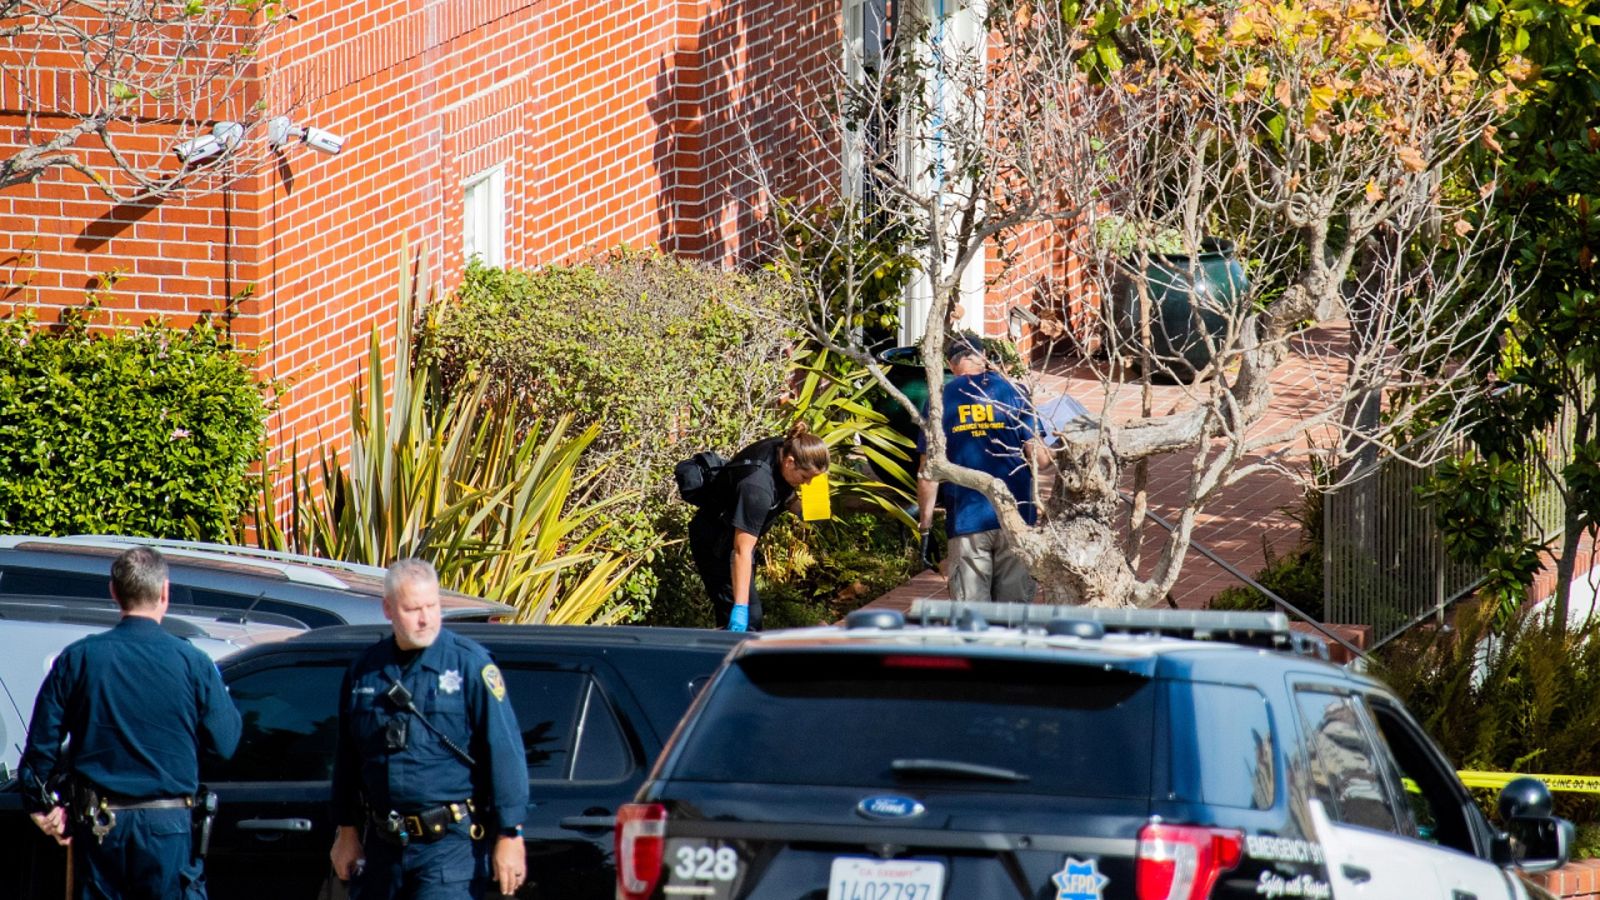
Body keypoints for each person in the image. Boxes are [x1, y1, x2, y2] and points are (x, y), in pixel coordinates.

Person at [17, 547, 242, 899]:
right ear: (164, 591)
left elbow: (40, 749)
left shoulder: (79, 659)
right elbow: (226, 742)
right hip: (170, 827)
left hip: (102, 827)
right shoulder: (193, 663)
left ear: (113, 592)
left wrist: (41, 806)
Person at [329, 559, 529, 900]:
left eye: (432, 606)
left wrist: (511, 834)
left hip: (449, 849)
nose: (425, 619)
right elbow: (348, 757)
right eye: (413, 609)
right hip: (384, 848)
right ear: (388, 609)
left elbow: (505, 751)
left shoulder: (469, 664)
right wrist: (346, 830)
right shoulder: (366, 671)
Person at [917, 333, 1050, 603]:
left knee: (971, 620)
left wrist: (925, 528)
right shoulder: (1014, 393)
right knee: (1015, 616)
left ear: (950, 364)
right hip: (1016, 517)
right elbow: (1041, 460)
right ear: (985, 357)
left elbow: (928, 475)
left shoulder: (938, 401)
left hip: (967, 520)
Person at [688, 421, 831, 632]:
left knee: (744, 620)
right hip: (716, 545)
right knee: (747, 623)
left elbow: (784, 490)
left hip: (735, 539)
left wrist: (806, 510)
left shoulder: (787, 447)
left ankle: (727, 645)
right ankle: (727, 654)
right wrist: (739, 608)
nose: (808, 484)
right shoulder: (756, 488)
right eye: (805, 478)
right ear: (790, 462)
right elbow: (741, 552)